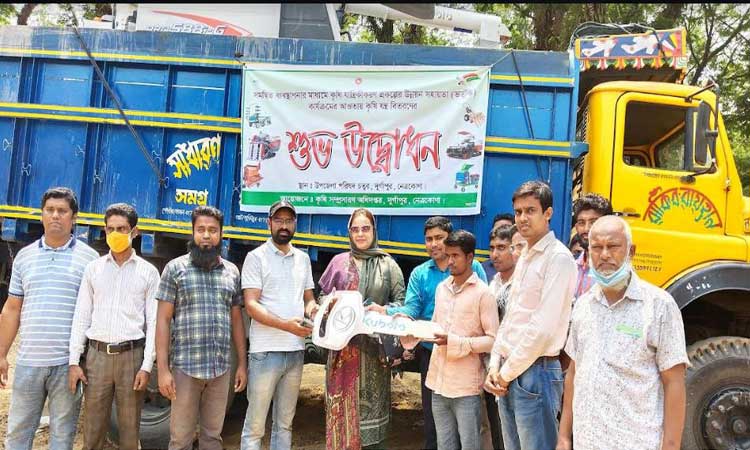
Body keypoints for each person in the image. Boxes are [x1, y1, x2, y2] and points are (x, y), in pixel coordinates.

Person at [556, 216, 688, 450]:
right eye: (597, 247)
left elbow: (674, 382)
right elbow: (574, 372)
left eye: (613, 246)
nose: (604, 254)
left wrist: (671, 445)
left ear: (631, 251)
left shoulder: (659, 306)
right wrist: (564, 437)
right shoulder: (584, 305)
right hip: (587, 442)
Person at [367, 216, 487, 450]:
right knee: (435, 421)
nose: (433, 244)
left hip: (466, 356)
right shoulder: (420, 274)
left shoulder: (474, 268)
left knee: (468, 424)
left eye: (439, 238)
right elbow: (412, 309)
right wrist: (385, 311)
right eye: (429, 239)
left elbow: (484, 308)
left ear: (450, 239)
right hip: (433, 355)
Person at [0, 187, 99, 450]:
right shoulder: (24, 257)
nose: (55, 216)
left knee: (62, 437)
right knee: (18, 434)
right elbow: (12, 308)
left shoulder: (90, 259)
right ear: (42, 214)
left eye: (62, 211)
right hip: (28, 363)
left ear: (74, 217)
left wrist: (82, 361)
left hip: (67, 365)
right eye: (50, 210)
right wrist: (2, 354)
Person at [484, 180, 577, 450]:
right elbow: (511, 317)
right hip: (510, 371)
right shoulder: (525, 256)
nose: (523, 218)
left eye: (530, 210)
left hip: (537, 373)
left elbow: (542, 329)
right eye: (518, 212)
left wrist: (505, 373)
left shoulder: (558, 258)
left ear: (548, 213)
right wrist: (494, 365)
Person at [68, 203, 160, 450]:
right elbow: (82, 315)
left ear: (135, 232)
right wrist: (74, 360)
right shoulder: (94, 269)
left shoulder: (149, 273)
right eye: (110, 229)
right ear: (104, 230)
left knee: (129, 433)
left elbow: (153, 321)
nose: (115, 234)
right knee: (92, 431)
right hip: (96, 357)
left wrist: (146, 366)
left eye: (122, 229)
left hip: (131, 358)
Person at [155, 206, 248, 450]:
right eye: (201, 230)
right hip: (185, 369)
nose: (206, 235)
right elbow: (163, 320)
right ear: (193, 232)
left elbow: (237, 320)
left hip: (220, 370)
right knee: (180, 439)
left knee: (212, 438)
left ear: (221, 234)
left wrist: (242, 364)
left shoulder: (231, 272)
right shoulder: (175, 269)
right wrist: (163, 370)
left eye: (213, 230)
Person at [318, 208, 405, 449]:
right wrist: (333, 305)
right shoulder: (338, 263)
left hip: (374, 355)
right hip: (341, 352)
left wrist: (382, 310)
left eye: (365, 228)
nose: (360, 234)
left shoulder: (388, 265)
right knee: (340, 417)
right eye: (355, 229)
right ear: (349, 232)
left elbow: (402, 305)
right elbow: (321, 298)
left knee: (372, 422)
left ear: (374, 231)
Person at [241, 200, 318, 450]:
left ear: (295, 224)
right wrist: (287, 326)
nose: (284, 226)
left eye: (288, 221)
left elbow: (308, 298)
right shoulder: (256, 258)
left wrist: (314, 310)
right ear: (269, 223)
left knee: (284, 425)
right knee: (255, 428)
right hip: (265, 353)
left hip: (295, 352)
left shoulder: (303, 259)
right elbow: (251, 305)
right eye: (279, 220)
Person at [425, 230, 499, 450]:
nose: (450, 261)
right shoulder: (442, 289)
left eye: (455, 255)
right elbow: (435, 326)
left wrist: (456, 342)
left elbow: (493, 341)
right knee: (444, 445)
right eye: (448, 255)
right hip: (438, 382)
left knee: (470, 444)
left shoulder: (483, 294)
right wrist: (414, 332)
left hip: (466, 387)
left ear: (470, 257)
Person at [571, 193, 613, 299]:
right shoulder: (570, 266)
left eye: (593, 222)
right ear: (576, 227)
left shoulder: (616, 271)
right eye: (581, 223)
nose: (586, 229)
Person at [481, 213, 514, 280]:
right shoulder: (482, 270)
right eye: (492, 248)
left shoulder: (528, 274)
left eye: (501, 247)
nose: (494, 255)